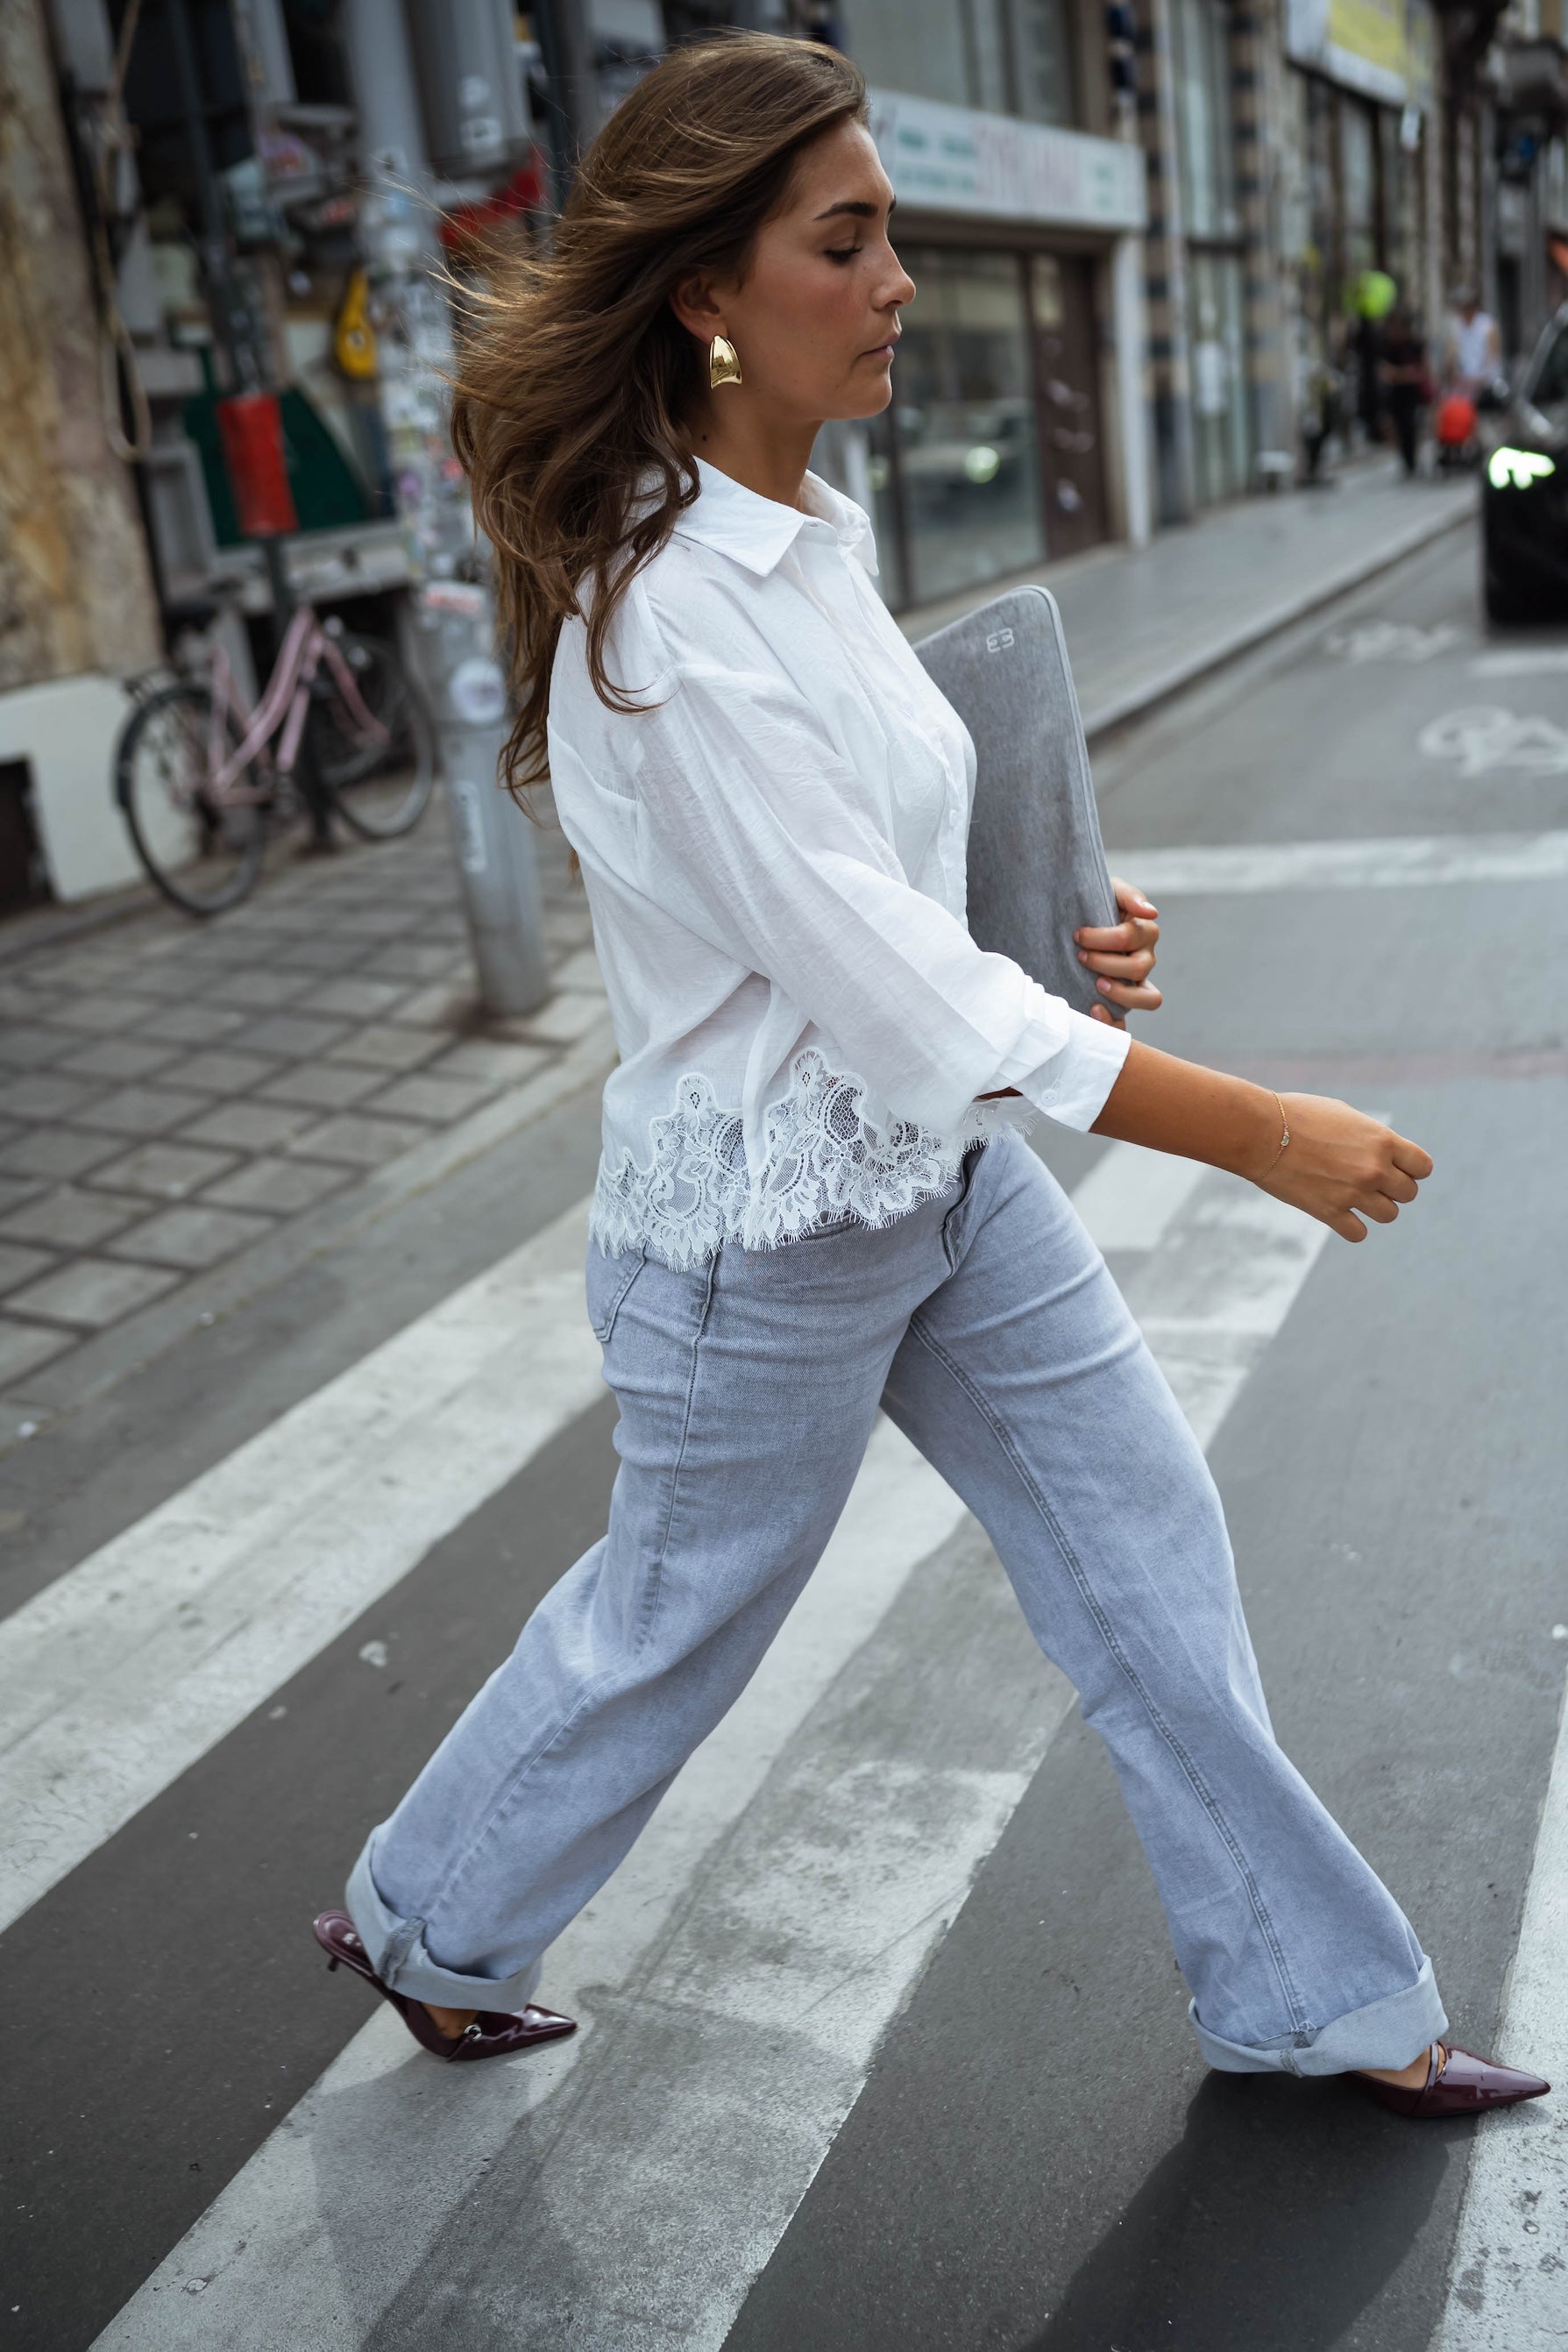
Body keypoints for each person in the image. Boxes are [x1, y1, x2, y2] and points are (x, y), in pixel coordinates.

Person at [314, 33, 1547, 2123]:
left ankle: (1306, 1993)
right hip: (762, 1235)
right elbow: (886, 1002)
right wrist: (1252, 1128)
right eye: (846, 239)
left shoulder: (811, 527)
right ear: (708, 291)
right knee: (664, 1637)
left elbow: (888, 899)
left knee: (1145, 1539)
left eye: (887, 233)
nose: (893, 280)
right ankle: (428, 1913)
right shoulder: (668, 620)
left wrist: (1075, 913)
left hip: (941, 1182)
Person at [1380, 306, 1430, 477]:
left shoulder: (1416, 345)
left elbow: (1423, 371)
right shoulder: (1388, 347)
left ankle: (1413, 461)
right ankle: (1407, 461)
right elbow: (1386, 372)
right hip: (1396, 396)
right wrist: (1406, 374)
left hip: (1414, 395)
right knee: (1401, 428)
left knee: (1413, 428)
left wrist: (1401, 374)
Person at [1443, 288, 1501, 398]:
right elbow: (1452, 355)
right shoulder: (1456, 326)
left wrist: (1479, 378)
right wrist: (1455, 374)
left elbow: (1492, 357)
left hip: (1485, 384)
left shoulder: (1487, 325)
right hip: (1463, 384)